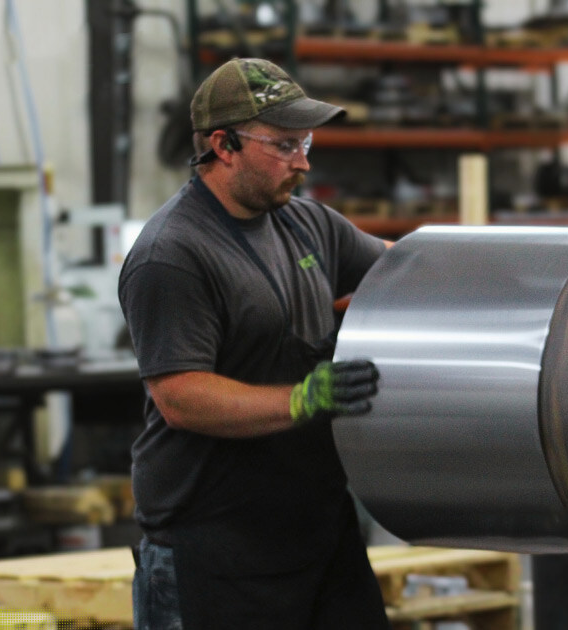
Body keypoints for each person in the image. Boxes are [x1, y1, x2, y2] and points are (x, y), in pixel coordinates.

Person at [118, 57, 391, 630]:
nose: (304, 162)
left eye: (306, 141)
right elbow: (182, 396)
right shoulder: (173, 253)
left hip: (316, 528)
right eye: (285, 145)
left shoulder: (307, 223)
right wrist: (302, 400)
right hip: (216, 548)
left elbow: (403, 271)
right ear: (224, 145)